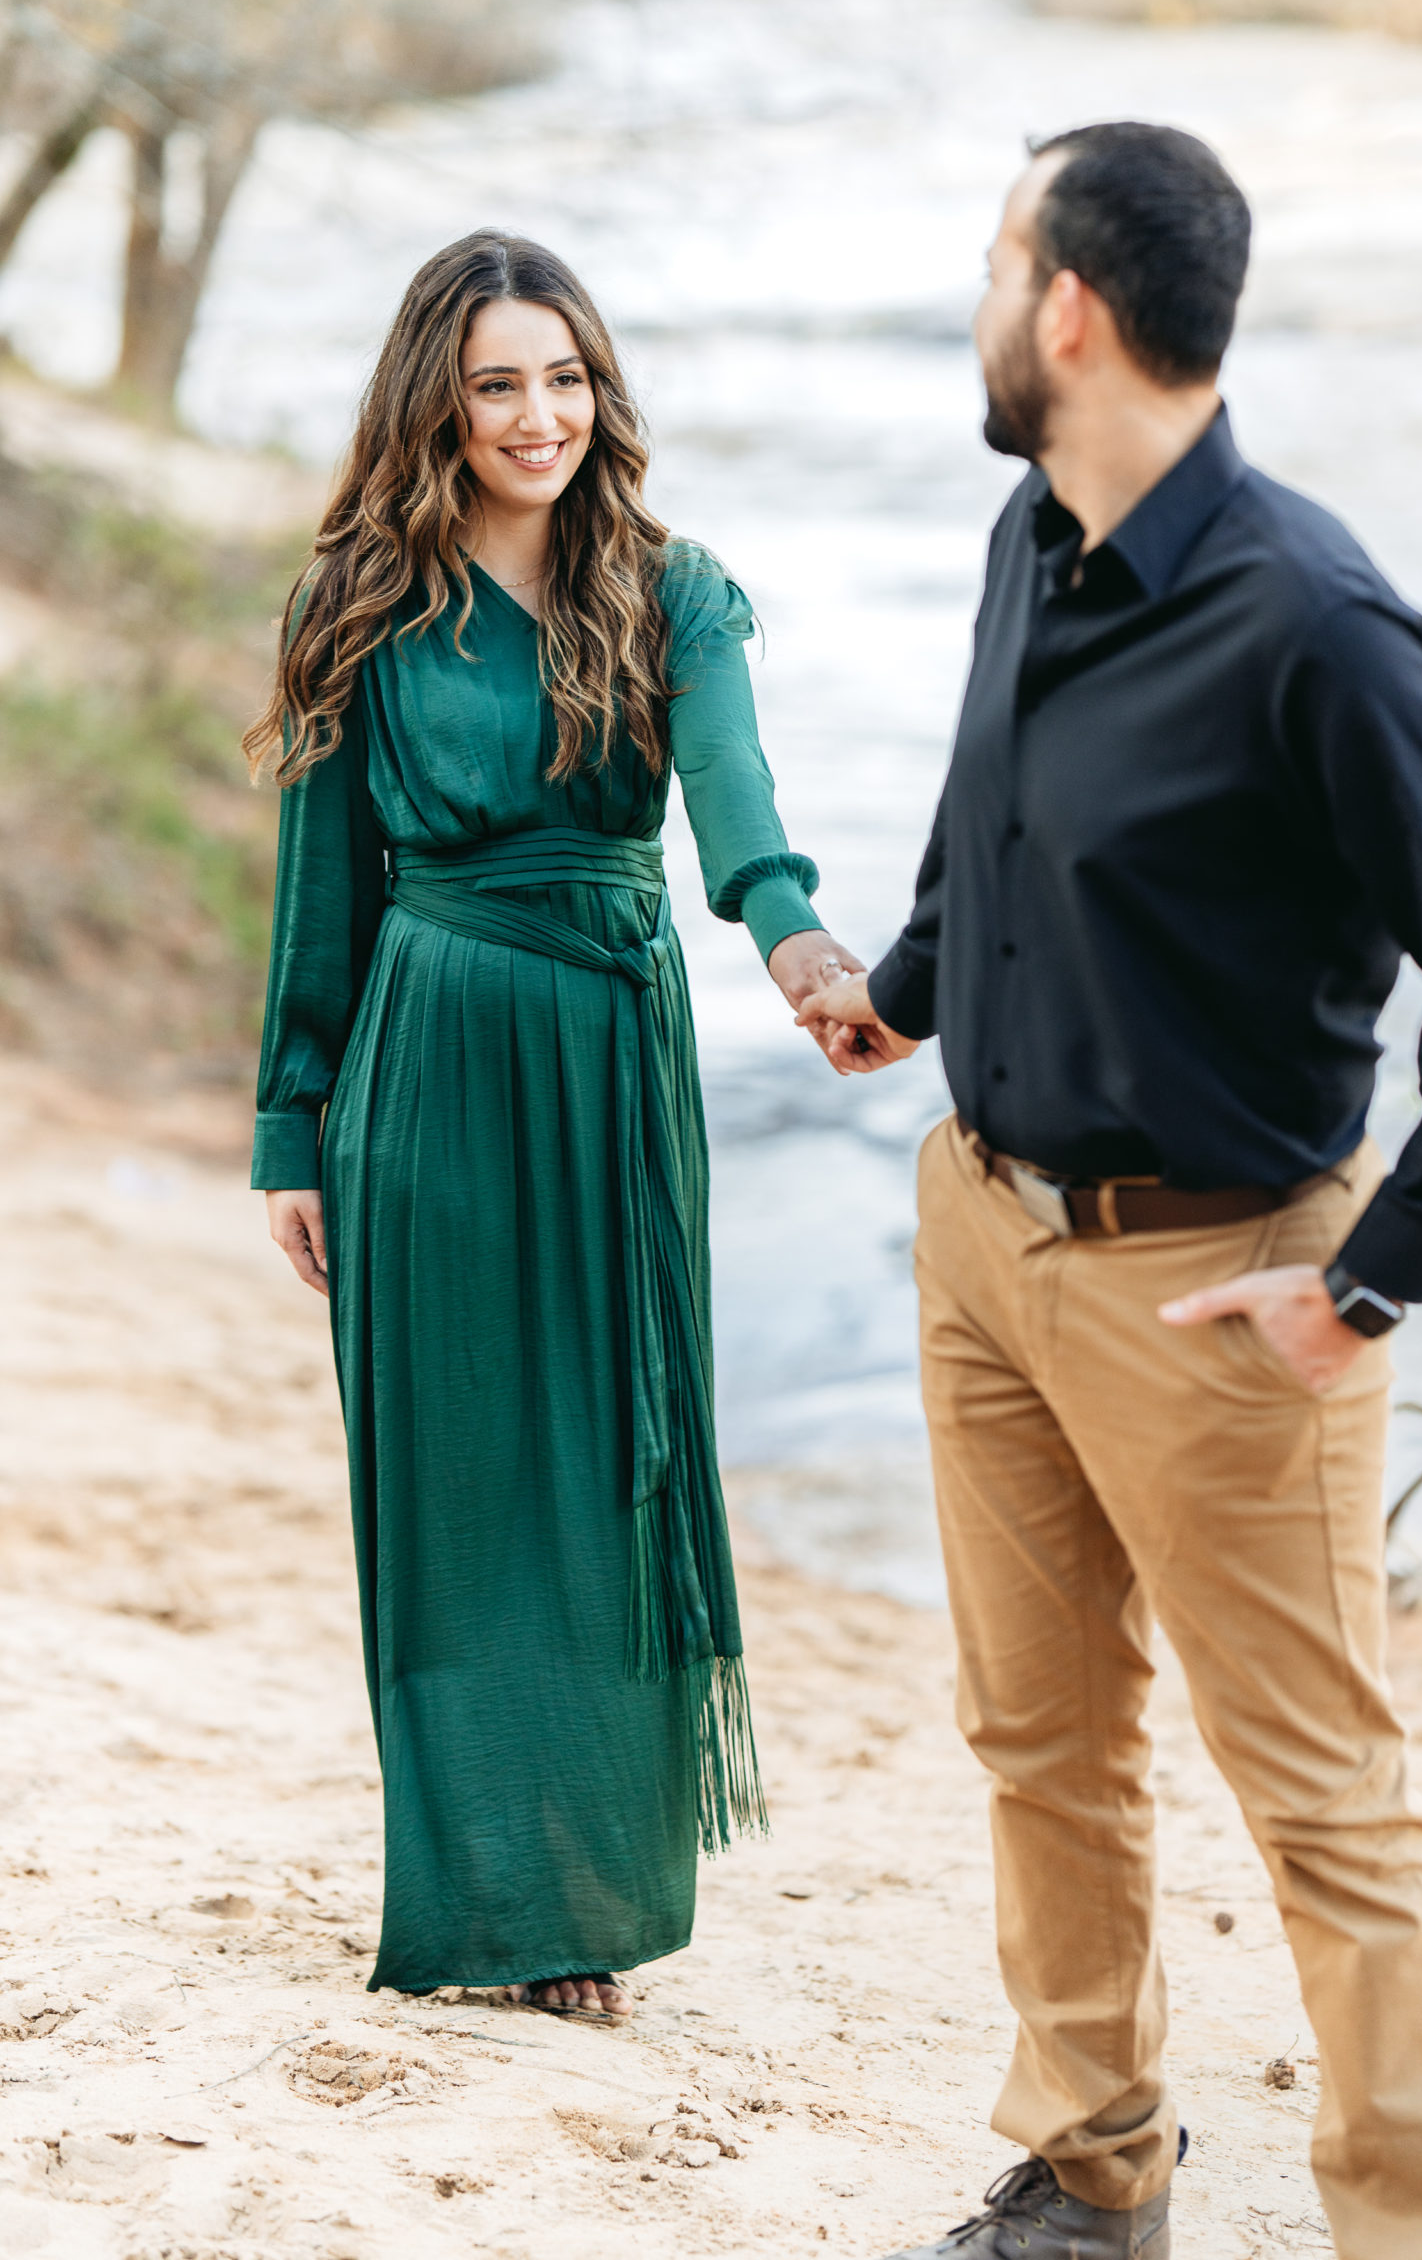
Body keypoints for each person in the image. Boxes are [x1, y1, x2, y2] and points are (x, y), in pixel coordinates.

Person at [799, 124, 1422, 2260]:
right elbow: (995, 820)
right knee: (1036, 1726)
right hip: (981, 1230)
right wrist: (903, 993)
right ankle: (1089, 2168)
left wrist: (1371, 1283)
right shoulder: (1028, 534)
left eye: (993, 260)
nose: (978, 300)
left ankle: (1406, 2232)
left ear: (1066, 306)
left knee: (1320, 1797)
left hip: (1223, 1283)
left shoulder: (1313, 620)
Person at [246, 229, 860, 2012]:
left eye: (567, 378)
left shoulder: (676, 591)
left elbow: (734, 791)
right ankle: (487, 1898)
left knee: (614, 1460)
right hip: (424, 1056)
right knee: (453, 1485)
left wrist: (798, 937)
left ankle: (586, 1903)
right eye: (502, 380)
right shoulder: (355, 605)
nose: (539, 415)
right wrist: (295, 1128)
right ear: (438, 396)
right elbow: (320, 892)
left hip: (613, 1051)